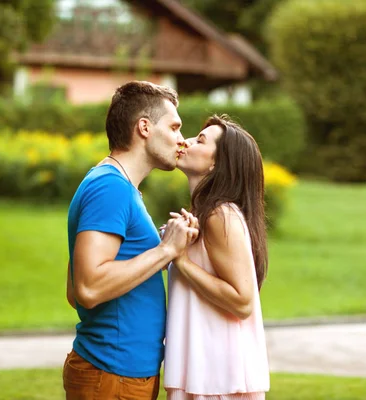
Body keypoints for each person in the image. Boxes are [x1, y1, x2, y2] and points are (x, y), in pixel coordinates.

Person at [64, 81, 198, 400]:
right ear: (144, 127)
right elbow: (88, 288)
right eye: (175, 127)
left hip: (119, 373)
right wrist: (166, 251)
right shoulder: (111, 189)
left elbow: (74, 291)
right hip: (112, 374)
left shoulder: (116, 186)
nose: (181, 140)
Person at [163, 115, 270, 399]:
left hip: (216, 379)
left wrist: (180, 260)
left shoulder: (220, 215)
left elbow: (242, 301)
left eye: (200, 140)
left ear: (216, 163)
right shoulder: (206, 215)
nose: (184, 141)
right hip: (205, 374)